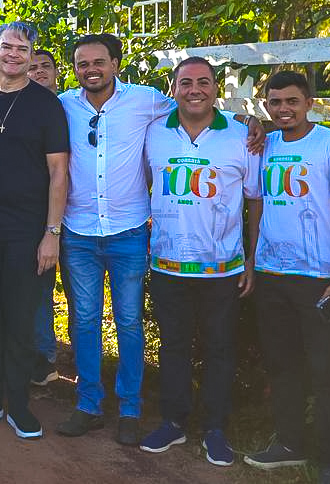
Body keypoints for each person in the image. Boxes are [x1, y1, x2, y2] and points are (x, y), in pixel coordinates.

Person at [56, 34, 263, 445]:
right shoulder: (62, 105)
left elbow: (199, 107)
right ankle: (88, 404)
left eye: (100, 61)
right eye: (82, 63)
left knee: (129, 322)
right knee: (84, 321)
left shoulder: (146, 100)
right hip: (78, 230)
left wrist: (252, 122)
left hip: (130, 231)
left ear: (116, 64)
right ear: (75, 68)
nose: (91, 69)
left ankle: (130, 409)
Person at [139, 57, 260, 467]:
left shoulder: (242, 137)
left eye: (203, 82)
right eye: (186, 82)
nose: (195, 90)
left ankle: (215, 429)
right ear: (173, 88)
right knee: (173, 347)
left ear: (215, 88)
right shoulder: (153, 132)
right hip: (166, 265)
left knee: (219, 349)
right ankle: (173, 422)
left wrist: (251, 257)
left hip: (221, 268)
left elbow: (255, 200)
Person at [244, 71, 330, 484]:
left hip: (320, 278)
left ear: (309, 102)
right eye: (274, 103)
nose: (283, 110)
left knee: (326, 370)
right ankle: (290, 445)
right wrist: (253, 261)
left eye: (291, 101)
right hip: (273, 274)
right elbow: (256, 206)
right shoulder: (264, 144)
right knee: (282, 365)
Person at [0, 22, 68, 438]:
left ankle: (18, 405)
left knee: (21, 320)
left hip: (29, 233)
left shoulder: (46, 105)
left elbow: (59, 174)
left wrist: (51, 233)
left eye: (22, 49)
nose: (14, 54)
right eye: (7, 47)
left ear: (30, 54)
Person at [28, 47, 64, 386]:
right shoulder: (26, 108)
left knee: (82, 300)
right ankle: (44, 356)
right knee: (41, 286)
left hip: (83, 217)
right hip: (41, 214)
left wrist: (244, 119)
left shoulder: (71, 105)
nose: (40, 72)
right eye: (33, 67)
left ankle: (86, 366)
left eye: (45, 66)